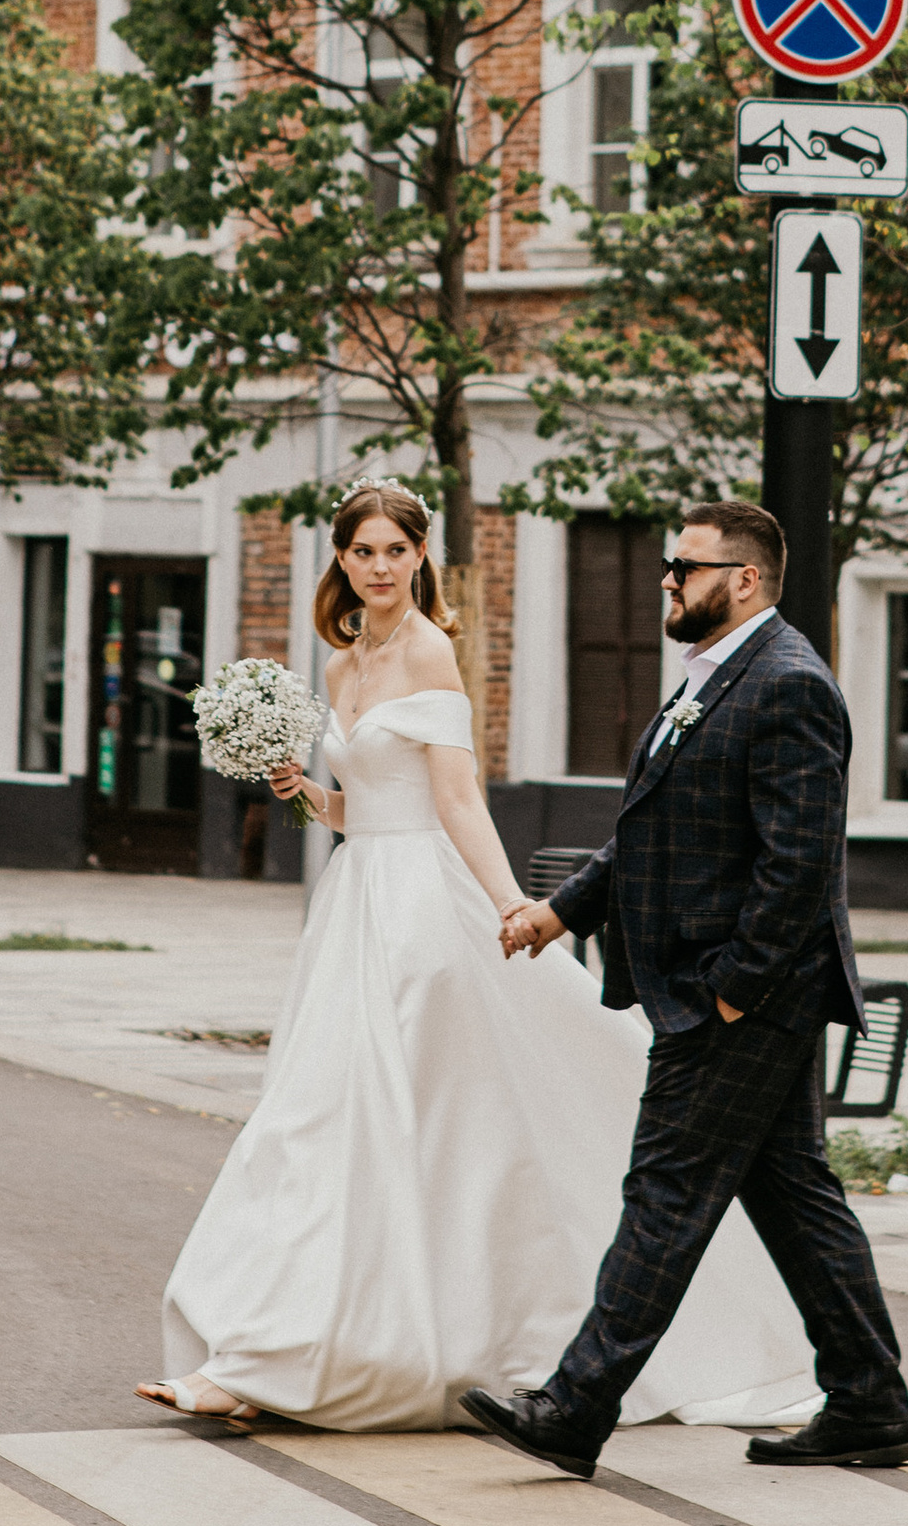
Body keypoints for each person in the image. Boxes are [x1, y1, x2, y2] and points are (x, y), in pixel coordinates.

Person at [137, 479, 811, 1432]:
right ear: (341, 560)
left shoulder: (426, 651)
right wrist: (303, 793)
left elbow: (455, 801)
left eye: (396, 552)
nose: (379, 568)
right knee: (315, 1123)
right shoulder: (343, 665)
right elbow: (357, 810)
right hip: (354, 902)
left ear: (421, 558)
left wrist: (515, 907)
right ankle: (271, 1347)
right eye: (362, 552)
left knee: (402, 1128)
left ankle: (300, 1357)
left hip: (419, 912)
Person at [470, 502, 908, 1480]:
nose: (666, 581)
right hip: (735, 993)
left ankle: (574, 1404)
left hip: (743, 999)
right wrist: (561, 913)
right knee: (795, 1197)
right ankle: (871, 1402)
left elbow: (798, 866)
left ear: (744, 580)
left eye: (684, 566)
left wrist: (730, 992)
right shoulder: (720, 680)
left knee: (664, 1192)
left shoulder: (788, 687)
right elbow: (652, 829)